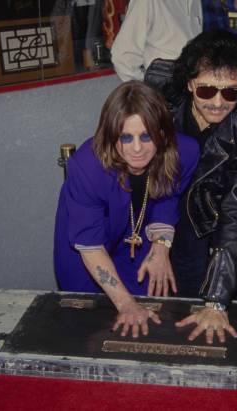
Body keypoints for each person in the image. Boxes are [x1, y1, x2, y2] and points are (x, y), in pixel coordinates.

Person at [150, 29, 237, 344]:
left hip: (209, 236)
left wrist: (217, 297)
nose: (218, 103)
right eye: (206, 90)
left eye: (230, 93)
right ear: (189, 83)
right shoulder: (159, 104)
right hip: (153, 224)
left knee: (196, 328)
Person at [54, 81, 199, 338]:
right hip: (85, 246)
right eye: (125, 137)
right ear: (111, 136)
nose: (137, 148)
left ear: (163, 133)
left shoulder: (185, 152)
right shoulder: (87, 167)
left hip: (140, 233)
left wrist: (161, 245)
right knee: (90, 323)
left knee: (148, 316)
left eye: (146, 136)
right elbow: (90, 245)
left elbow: (170, 195)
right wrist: (125, 303)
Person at [110, 0, 203, 82]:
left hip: (191, 89)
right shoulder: (148, 2)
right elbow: (122, 57)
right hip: (164, 93)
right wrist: (147, 94)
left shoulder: (195, 2)